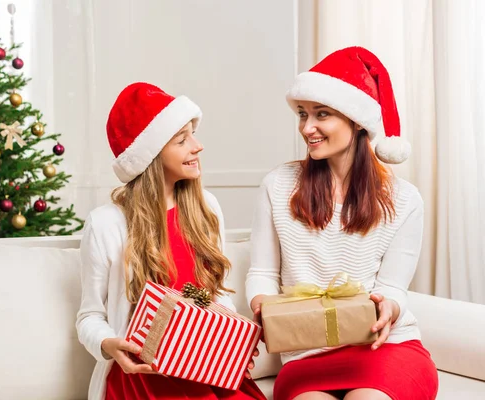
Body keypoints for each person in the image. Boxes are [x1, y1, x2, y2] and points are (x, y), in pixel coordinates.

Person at [246, 47, 438, 400]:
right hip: (306, 357)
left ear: (356, 120)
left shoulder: (404, 199)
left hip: (386, 351)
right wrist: (263, 307)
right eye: (303, 114)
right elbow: (263, 274)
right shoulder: (277, 185)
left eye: (322, 114)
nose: (307, 127)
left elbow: (394, 287)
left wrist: (388, 308)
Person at [77, 82, 266, 400]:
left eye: (192, 134)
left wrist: (232, 344)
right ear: (150, 156)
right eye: (182, 139)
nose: (197, 146)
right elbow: (90, 316)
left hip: (205, 369)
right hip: (143, 378)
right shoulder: (106, 224)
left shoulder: (206, 209)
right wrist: (108, 344)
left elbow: (214, 297)